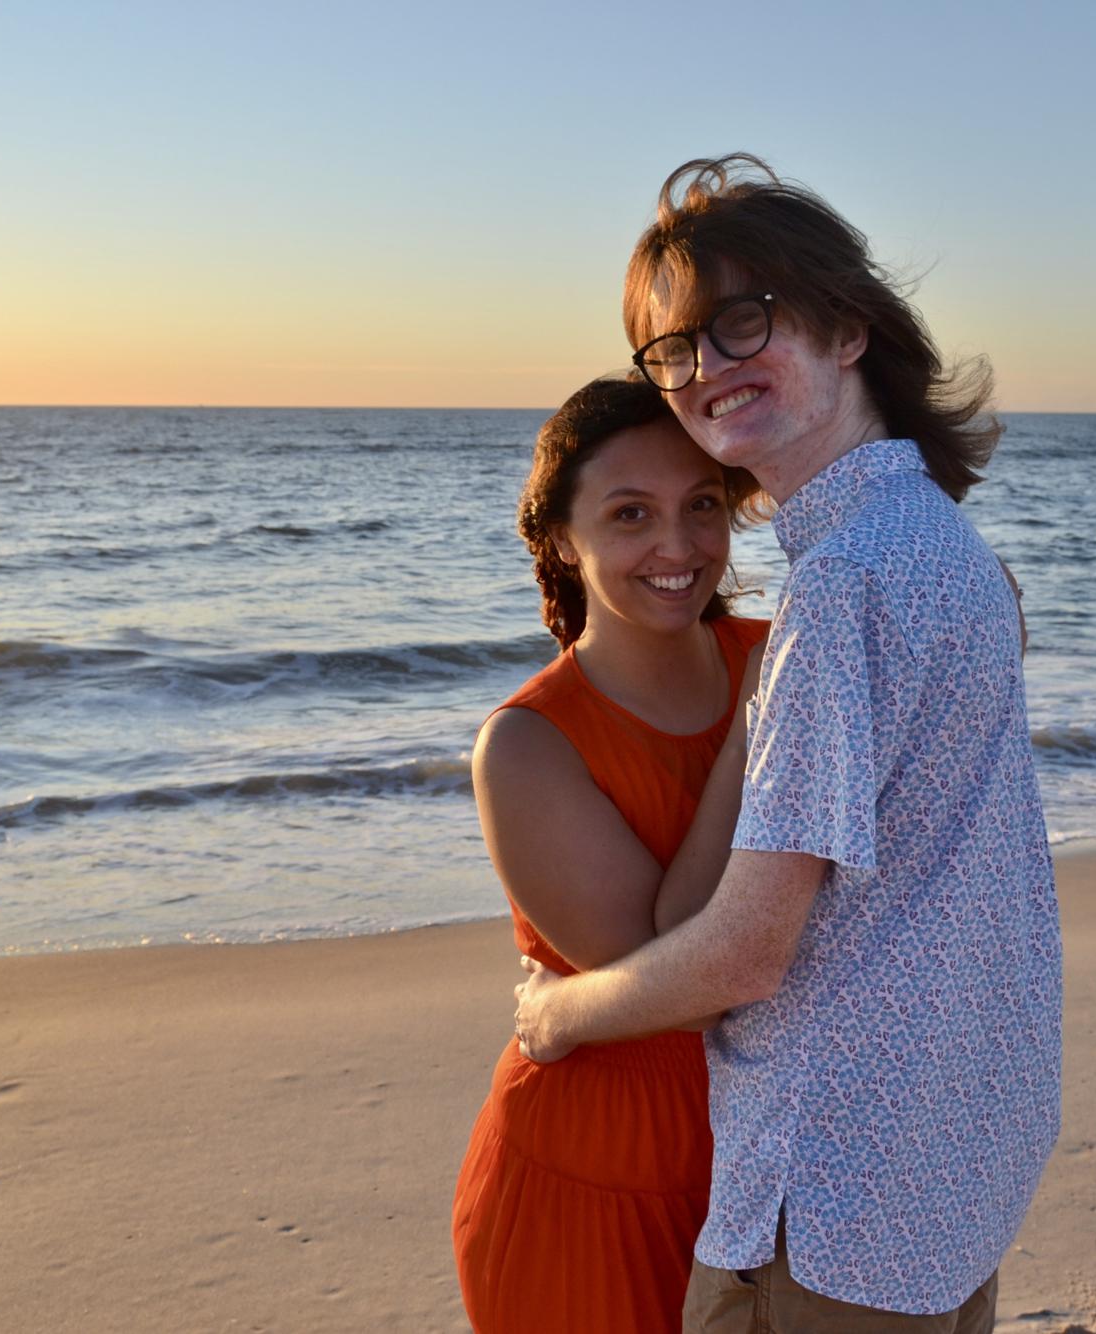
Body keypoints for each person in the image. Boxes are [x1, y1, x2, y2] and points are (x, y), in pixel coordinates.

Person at [513, 155, 1062, 1332]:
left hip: (834, 1197)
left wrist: (553, 1015)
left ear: (847, 329)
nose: (706, 369)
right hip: (952, 1166)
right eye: (676, 350)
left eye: (741, 321)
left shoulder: (844, 585)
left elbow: (740, 958)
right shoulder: (947, 549)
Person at [451, 373, 770, 1334]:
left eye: (702, 506)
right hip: (593, 1182)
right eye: (631, 513)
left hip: (775, 1155)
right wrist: (761, 726)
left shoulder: (783, 653)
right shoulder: (527, 745)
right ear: (561, 536)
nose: (677, 546)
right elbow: (675, 980)